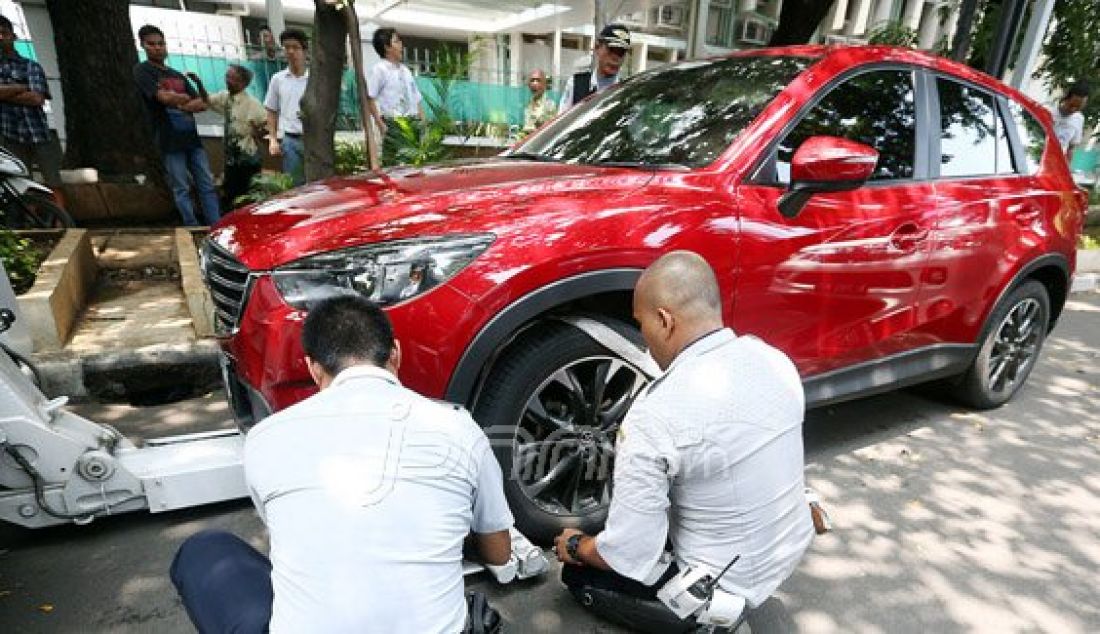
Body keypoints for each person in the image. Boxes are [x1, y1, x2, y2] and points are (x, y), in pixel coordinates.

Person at [170, 295, 514, 633]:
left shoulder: (265, 437)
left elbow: (291, 528)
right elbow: (499, 553)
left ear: (313, 368)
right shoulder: (458, 428)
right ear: (395, 353)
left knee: (204, 550)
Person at [552, 251, 814, 633]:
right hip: (786, 551)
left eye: (641, 324)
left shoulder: (656, 412)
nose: (642, 336)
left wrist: (578, 545)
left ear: (664, 320)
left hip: (724, 580)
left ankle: (711, 619)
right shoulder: (773, 359)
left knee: (578, 576)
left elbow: (629, 552)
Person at [133, 24, 220, 226]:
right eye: (152, 44)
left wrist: (178, 100)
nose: (157, 48)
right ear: (144, 46)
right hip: (168, 139)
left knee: (206, 184)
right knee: (181, 187)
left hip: (192, 139)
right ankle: (192, 227)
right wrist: (184, 101)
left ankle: (214, 224)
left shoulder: (177, 75)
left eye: (161, 44)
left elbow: (201, 103)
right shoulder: (143, 70)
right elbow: (163, 98)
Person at [0, 15, 62, 194]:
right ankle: (30, 219)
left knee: (53, 181)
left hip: (38, 133)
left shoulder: (30, 66)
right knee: (21, 184)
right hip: (10, 136)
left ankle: (62, 220)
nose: (1, 38)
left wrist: (5, 93)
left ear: (13, 36)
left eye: (4, 33)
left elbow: (36, 98)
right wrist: (20, 87)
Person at [198, 64, 266, 209]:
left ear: (242, 83)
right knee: (230, 195)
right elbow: (208, 100)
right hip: (231, 160)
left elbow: (267, 125)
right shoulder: (225, 97)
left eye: (231, 78)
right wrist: (198, 83)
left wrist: (257, 134)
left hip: (247, 159)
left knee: (247, 197)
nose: (227, 80)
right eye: (227, 77)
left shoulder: (252, 104)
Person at [367, 27, 424, 166]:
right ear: (387, 47)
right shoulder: (379, 70)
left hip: (412, 121)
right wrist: (380, 123)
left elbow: (415, 97)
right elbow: (370, 97)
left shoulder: (406, 70)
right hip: (394, 123)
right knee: (394, 166)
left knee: (414, 165)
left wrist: (422, 120)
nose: (401, 45)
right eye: (396, 41)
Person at [265, 28, 309, 185]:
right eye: (287, 47)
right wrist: (273, 140)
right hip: (290, 140)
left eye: (295, 47)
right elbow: (271, 110)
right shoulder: (278, 79)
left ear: (304, 50)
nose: (290, 52)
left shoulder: (313, 79)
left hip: (313, 140)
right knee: (295, 185)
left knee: (317, 184)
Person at [558, 24, 630, 114]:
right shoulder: (576, 84)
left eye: (621, 52)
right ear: (597, 48)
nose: (615, 58)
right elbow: (561, 120)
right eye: (612, 50)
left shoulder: (627, 92)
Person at [1050, 81, 1089, 163]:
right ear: (1066, 98)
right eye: (1071, 105)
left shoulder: (1079, 119)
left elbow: (1071, 148)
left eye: (1078, 107)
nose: (1073, 109)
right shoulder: (1049, 111)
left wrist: (1067, 168)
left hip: (1055, 164)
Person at [522, 69, 557, 135]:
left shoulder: (549, 105)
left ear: (544, 84)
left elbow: (550, 131)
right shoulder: (528, 105)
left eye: (538, 80)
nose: (534, 84)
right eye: (532, 80)